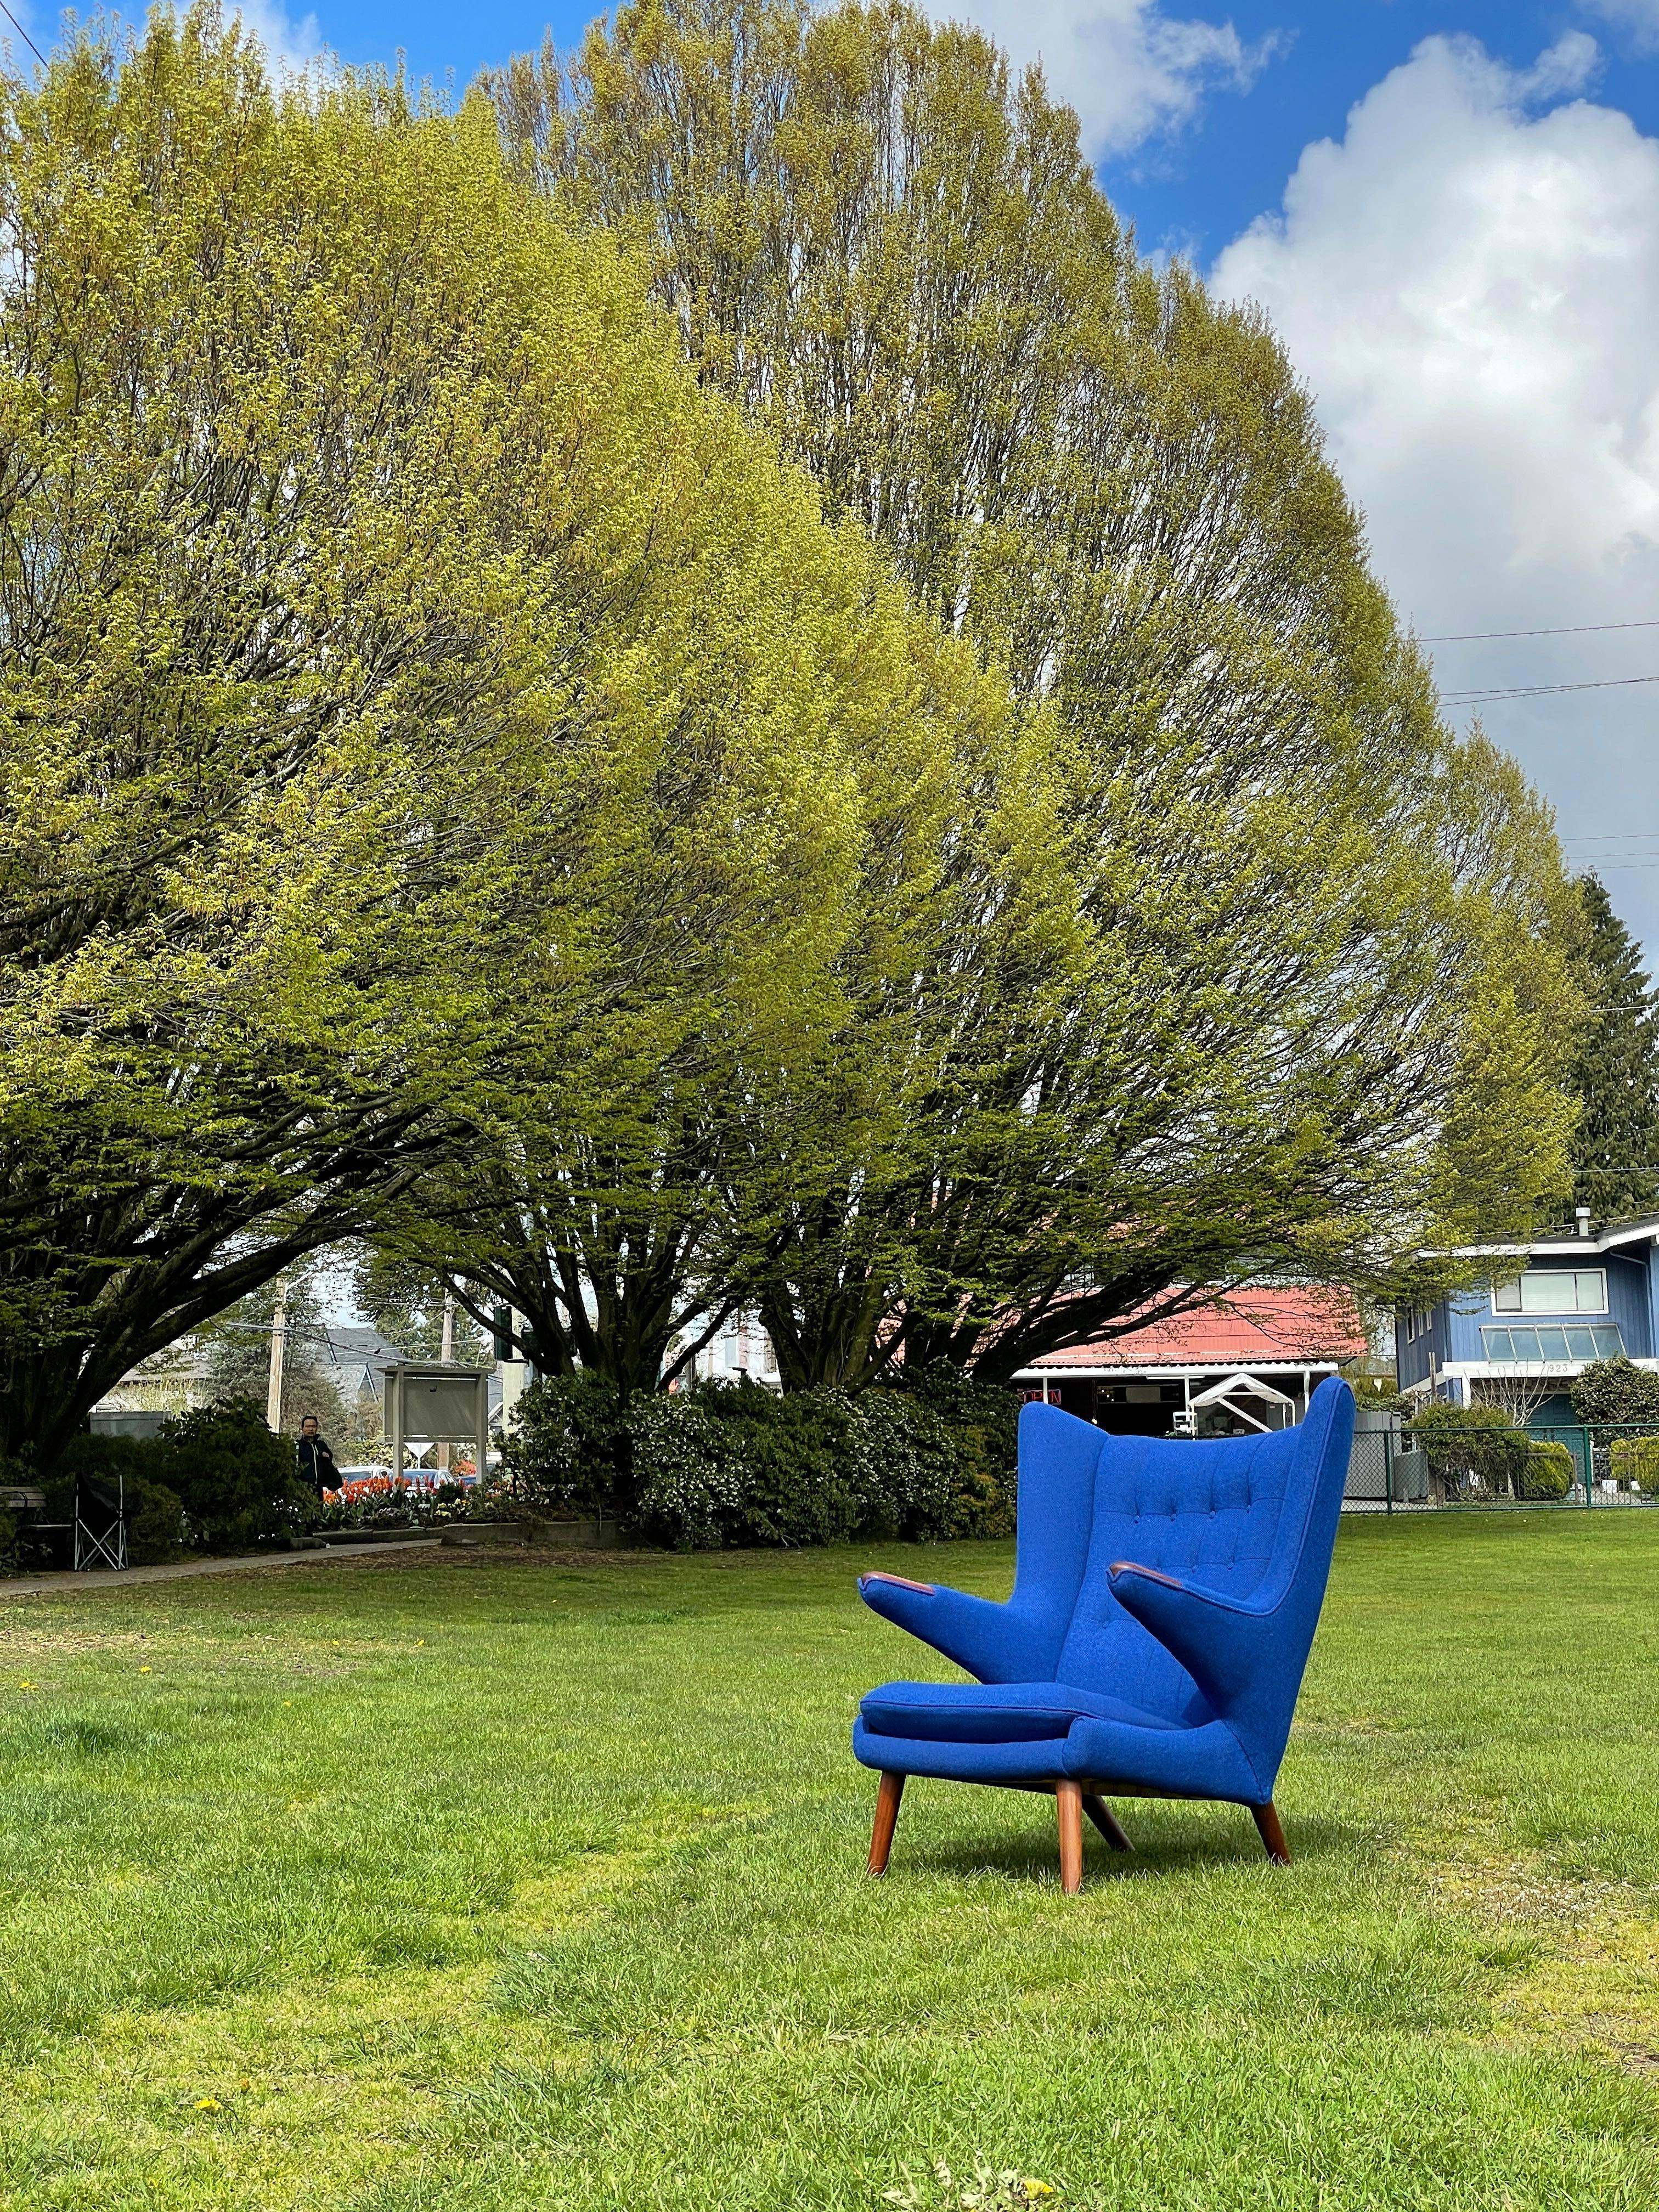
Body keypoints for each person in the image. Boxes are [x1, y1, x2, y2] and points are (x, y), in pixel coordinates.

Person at [296, 1414, 340, 1499]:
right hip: (303, 1490)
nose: (311, 1429)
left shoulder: (321, 1446)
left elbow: (329, 1460)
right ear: (303, 1428)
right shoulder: (298, 1446)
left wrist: (326, 1457)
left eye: (314, 1427)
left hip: (318, 1490)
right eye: (308, 1427)